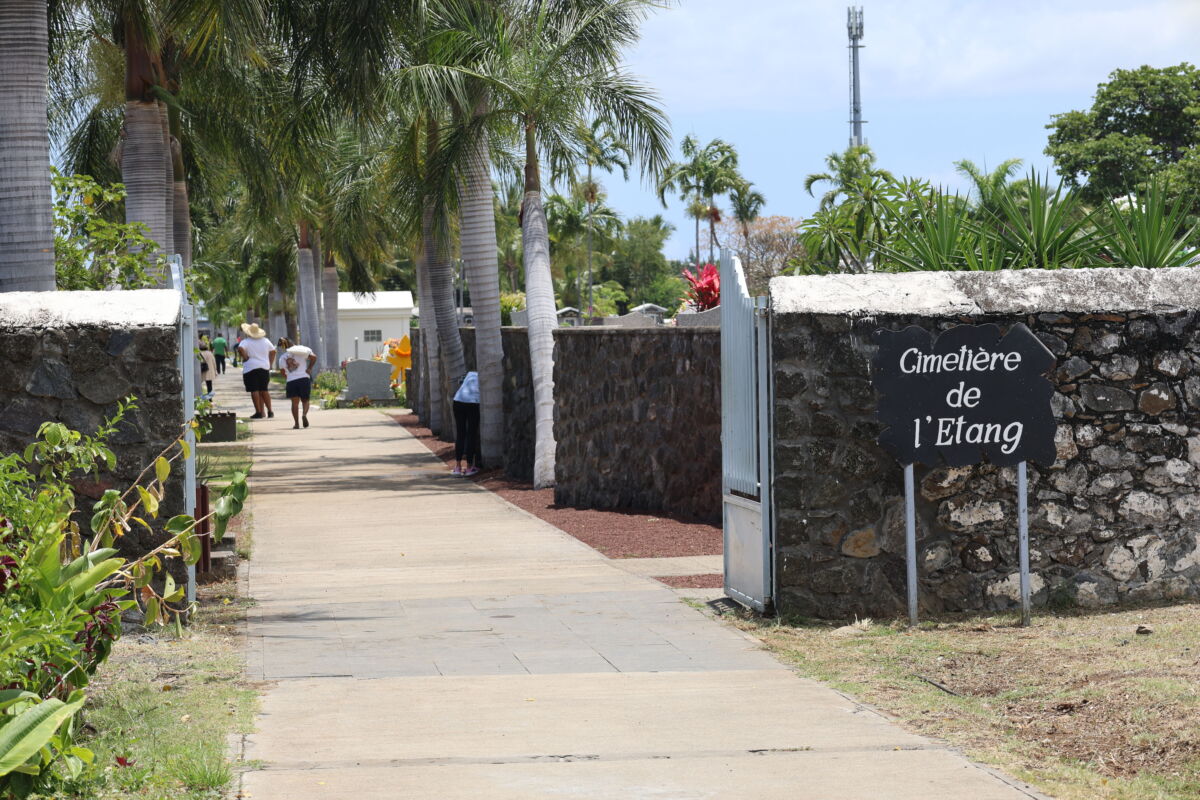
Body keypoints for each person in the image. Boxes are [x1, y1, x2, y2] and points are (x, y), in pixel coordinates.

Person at [238, 322, 275, 419]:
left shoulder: (246, 341)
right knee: (264, 390)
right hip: (264, 367)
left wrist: (245, 357)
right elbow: (273, 351)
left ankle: (258, 412)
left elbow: (240, 349)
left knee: (254, 390)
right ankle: (270, 411)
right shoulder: (266, 341)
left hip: (250, 368)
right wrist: (270, 363)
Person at [451, 371, 481, 476]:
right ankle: (469, 467)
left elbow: (461, 383)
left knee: (460, 434)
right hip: (473, 403)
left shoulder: (470, 374)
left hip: (458, 401)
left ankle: (457, 467)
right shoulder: (483, 376)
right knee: (471, 434)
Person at [281, 344, 317, 429]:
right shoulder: (302, 351)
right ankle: (304, 414)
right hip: (304, 378)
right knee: (305, 400)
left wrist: (289, 377)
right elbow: (314, 357)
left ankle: (296, 424)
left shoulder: (283, 357)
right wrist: (309, 368)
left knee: (294, 403)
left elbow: (282, 371)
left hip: (291, 381)